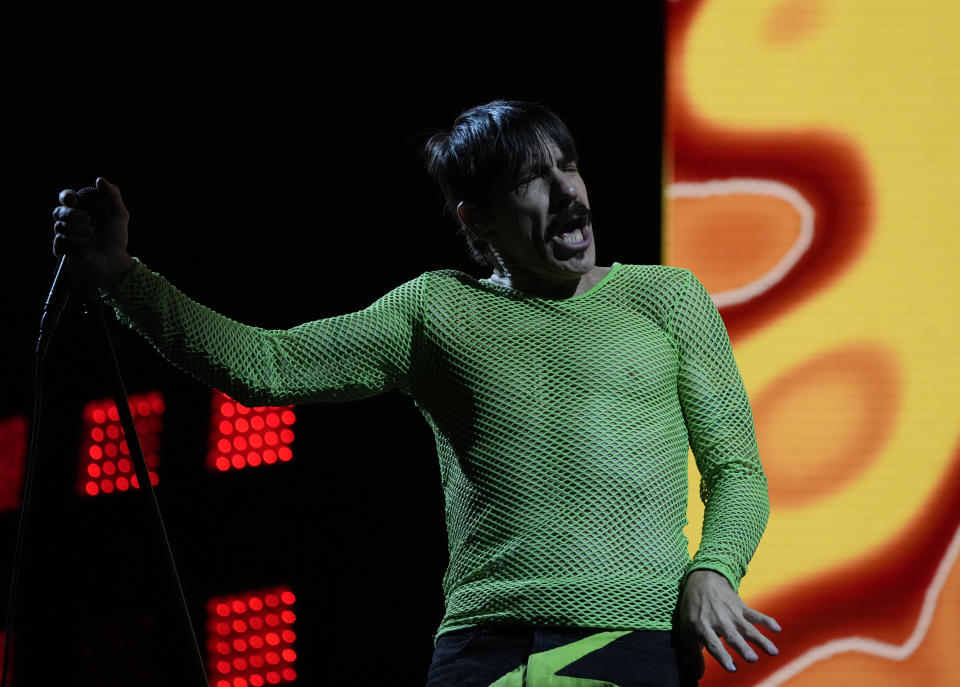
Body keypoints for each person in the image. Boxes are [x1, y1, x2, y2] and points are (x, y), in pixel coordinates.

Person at [51, 100, 780, 686]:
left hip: (631, 640)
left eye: (569, 165)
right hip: (479, 650)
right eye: (532, 179)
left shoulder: (666, 298)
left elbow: (737, 471)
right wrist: (121, 276)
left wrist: (713, 569)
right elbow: (268, 364)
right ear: (478, 220)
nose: (567, 191)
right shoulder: (434, 310)